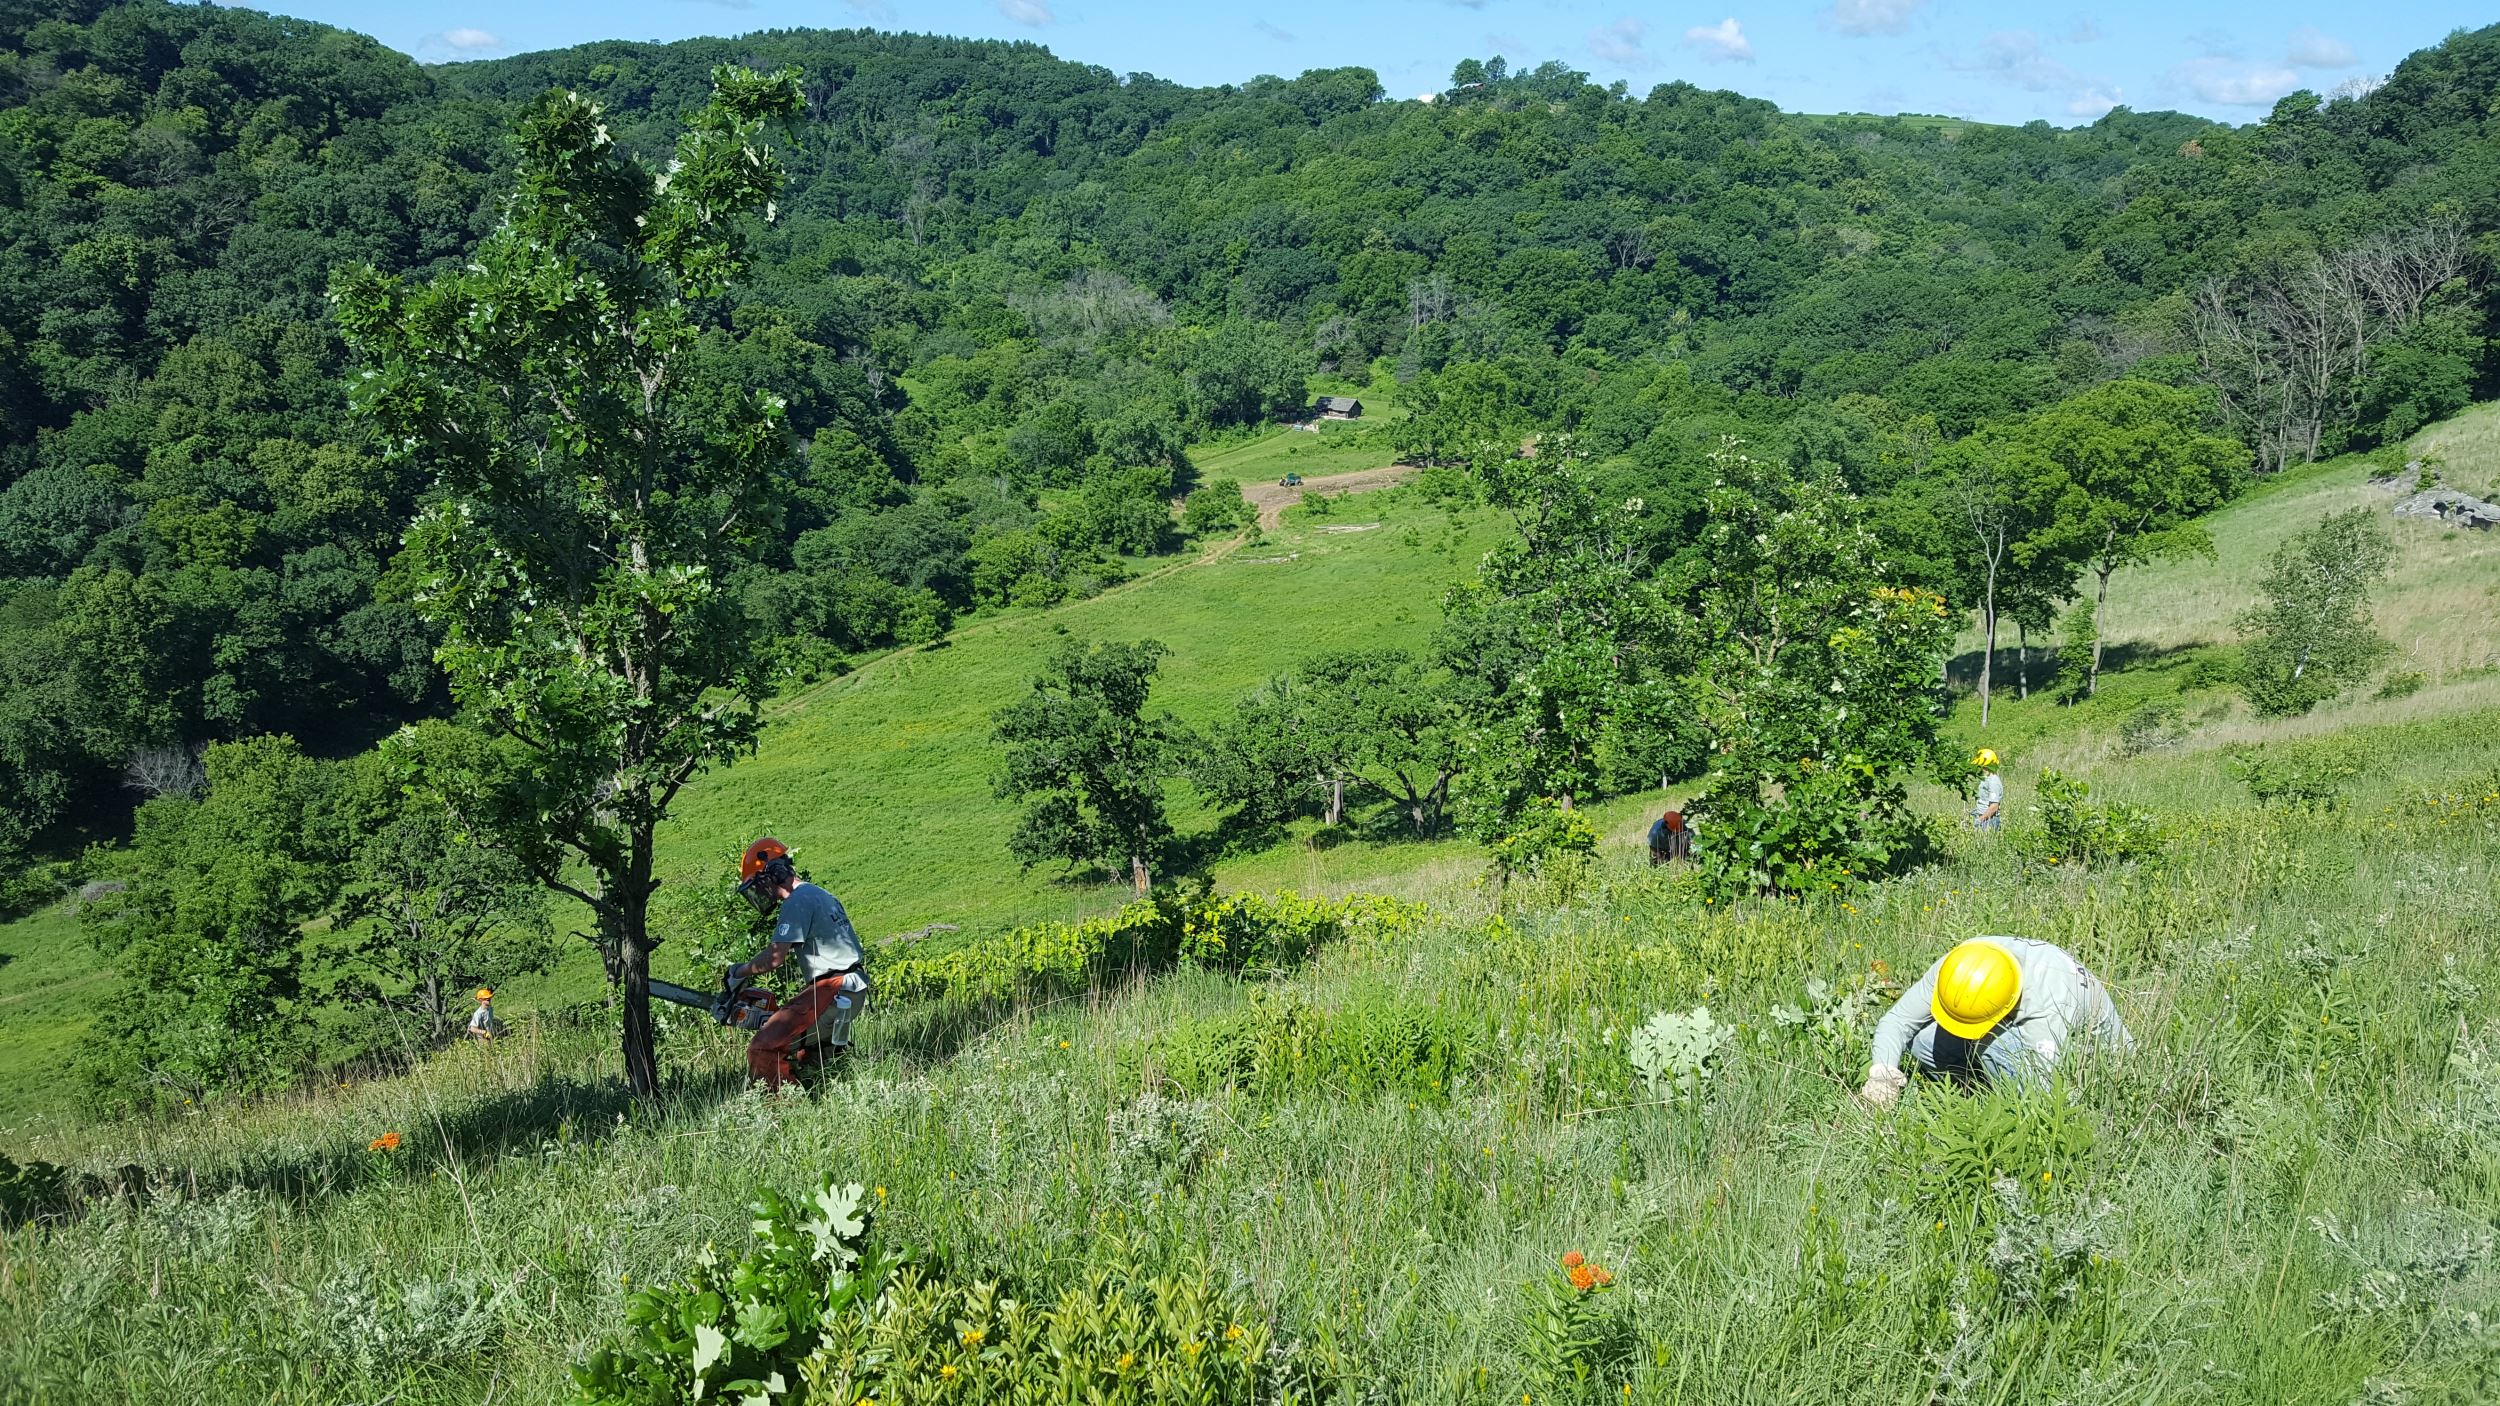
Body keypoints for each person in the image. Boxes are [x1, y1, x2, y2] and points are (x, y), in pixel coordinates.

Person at [1857, 936, 2132, 1105]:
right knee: (1923, 1041)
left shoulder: (2049, 1001)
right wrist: (1883, 1075)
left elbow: (2043, 1089)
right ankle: (1975, 1088)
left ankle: (1998, 1105)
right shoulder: (1959, 966)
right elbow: (1897, 1020)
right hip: (2015, 1029)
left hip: (2090, 1058)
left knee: (1992, 1048)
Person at [731, 836, 870, 1090]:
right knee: (809, 1053)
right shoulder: (818, 894)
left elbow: (775, 957)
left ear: (772, 873)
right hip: (852, 987)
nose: (760, 893)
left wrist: (739, 972)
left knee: (763, 1047)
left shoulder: (797, 901)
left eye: (758, 885)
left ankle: (784, 1110)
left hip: (833, 987)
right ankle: (824, 1096)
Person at [1971, 748, 2005, 831]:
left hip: (1988, 821)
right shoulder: (1986, 778)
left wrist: (1980, 820)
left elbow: (1994, 807)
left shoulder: (1993, 781)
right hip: (1984, 818)